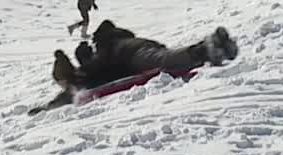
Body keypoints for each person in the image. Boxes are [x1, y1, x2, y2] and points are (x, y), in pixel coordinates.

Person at [28, 20, 239, 115]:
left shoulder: (107, 48)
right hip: (143, 49)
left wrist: (49, 107)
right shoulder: (118, 40)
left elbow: (84, 79)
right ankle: (207, 49)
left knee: (163, 61)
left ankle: (206, 49)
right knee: (164, 58)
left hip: (134, 56)